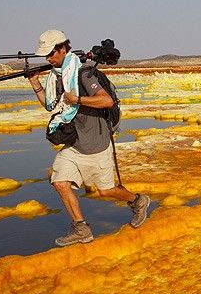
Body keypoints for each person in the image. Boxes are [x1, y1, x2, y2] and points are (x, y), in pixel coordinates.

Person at [27, 30, 150, 247]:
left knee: (106, 190)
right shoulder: (58, 76)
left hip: (95, 144)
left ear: (62, 49)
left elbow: (106, 101)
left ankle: (138, 201)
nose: (48, 58)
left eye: (50, 53)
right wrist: (35, 83)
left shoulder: (83, 73)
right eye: (45, 55)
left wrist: (78, 99)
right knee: (59, 181)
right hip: (75, 143)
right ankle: (81, 228)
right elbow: (52, 105)